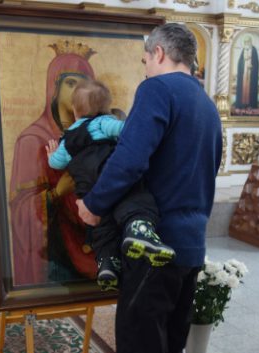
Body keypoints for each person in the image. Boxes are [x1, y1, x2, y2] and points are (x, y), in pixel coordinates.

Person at [77, 24, 222, 353]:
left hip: (154, 248)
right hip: (191, 249)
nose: (144, 68)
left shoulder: (157, 90)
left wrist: (94, 205)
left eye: (145, 60)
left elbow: (130, 158)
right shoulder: (206, 103)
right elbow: (208, 169)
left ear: (158, 53)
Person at [46, 79, 174, 289]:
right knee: (135, 198)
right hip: (107, 176)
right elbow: (128, 132)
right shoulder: (103, 122)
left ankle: (107, 264)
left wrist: (51, 155)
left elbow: (57, 163)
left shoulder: (68, 139)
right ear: (105, 108)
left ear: (75, 111)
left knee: (101, 226)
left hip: (87, 190)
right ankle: (139, 228)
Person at [8, 41, 98, 286]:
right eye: (71, 83)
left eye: (84, 85)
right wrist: (58, 192)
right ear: (54, 88)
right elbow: (20, 211)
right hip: (57, 255)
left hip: (97, 240)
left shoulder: (98, 134)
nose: (78, 91)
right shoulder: (32, 140)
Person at [234, 36, 259, 110]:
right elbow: (240, 62)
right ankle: (241, 104)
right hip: (244, 74)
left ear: (250, 42)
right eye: (245, 42)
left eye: (248, 41)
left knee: (250, 88)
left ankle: (251, 104)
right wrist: (243, 65)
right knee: (243, 88)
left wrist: (253, 66)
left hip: (251, 74)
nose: (246, 43)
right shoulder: (243, 50)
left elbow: (256, 62)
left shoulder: (254, 50)